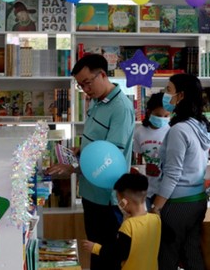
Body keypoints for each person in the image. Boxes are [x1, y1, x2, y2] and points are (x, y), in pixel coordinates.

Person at [46, 54, 135, 270]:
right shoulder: (97, 101)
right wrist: (81, 149)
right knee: (96, 252)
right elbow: (99, 144)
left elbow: (109, 158)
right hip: (90, 192)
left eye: (87, 83)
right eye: (80, 85)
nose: (85, 90)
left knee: (107, 255)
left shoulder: (121, 107)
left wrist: (73, 167)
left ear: (102, 75)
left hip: (107, 197)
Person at [150, 74, 210, 270]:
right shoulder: (201, 125)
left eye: (168, 90)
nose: (165, 96)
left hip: (176, 204)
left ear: (181, 95)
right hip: (198, 200)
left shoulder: (179, 130)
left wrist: (157, 207)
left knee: (167, 257)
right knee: (192, 253)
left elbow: (173, 173)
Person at [81, 173, 161, 270]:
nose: (119, 204)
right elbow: (171, 236)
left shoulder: (128, 225)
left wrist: (95, 248)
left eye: (118, 200)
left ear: (125, 201)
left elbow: (118, 254)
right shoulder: (156, 219)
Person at [133, 92, 171, 208]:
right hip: (148, 189)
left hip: (167, 191)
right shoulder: (140, 132)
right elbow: (139, 160)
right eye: (158, 115)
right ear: (149, 112)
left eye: (166, 116)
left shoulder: (171, 131)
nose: (162, 119)